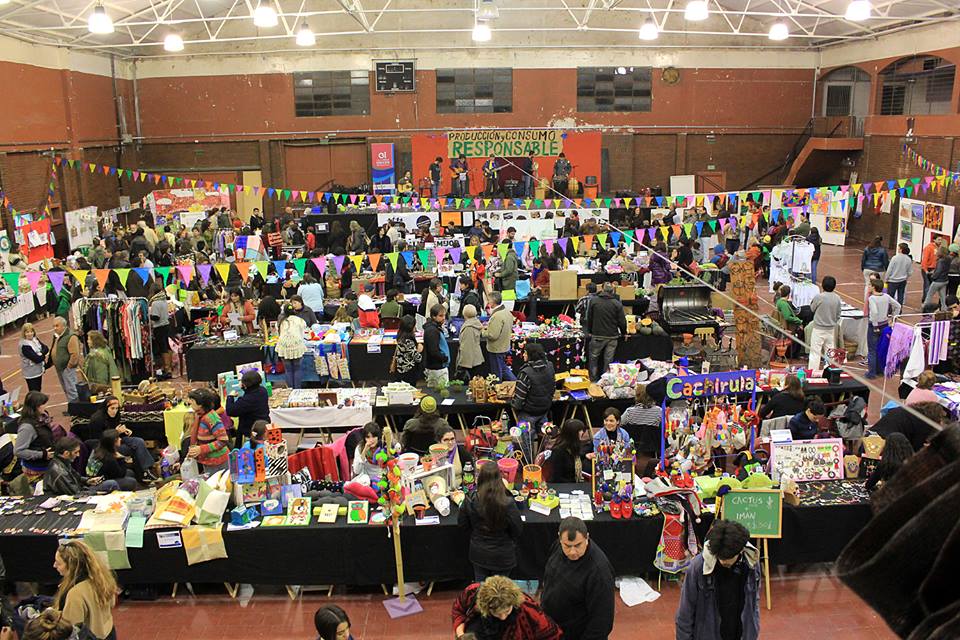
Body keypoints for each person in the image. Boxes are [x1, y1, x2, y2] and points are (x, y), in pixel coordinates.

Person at [675, 520, 761, 640]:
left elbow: (754, 603)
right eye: (720, 557)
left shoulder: (751, 564)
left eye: (728, 558)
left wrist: (754, 631)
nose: (723, 561)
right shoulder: (697, 568)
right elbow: (685, 613)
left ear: (741, 550)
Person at [541, 516, 615, 640]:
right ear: (560, 538)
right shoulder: (558, 547)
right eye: (567, 546)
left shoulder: (599, 572)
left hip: (575, 634)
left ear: (587, 538)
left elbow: (601, 622)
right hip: (553, 628)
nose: (572, 552)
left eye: (578, 545)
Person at [458, 458, 523, 580]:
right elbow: (517, 529)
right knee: (501, 593)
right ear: (499, 478)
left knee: (482, 593)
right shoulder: (507, 502)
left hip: (479, 553)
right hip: (503, 555)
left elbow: (462, 524)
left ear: (480, 477)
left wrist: (476, 535)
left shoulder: (470, 499)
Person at [453, 575, 562, 640]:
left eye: (507, 611)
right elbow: (458, 610)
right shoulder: (472, 593)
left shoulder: (529, 609)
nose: (503, 617)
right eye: (497, 613)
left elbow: (554, 635)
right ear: (485, 607)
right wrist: (461, 634)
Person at [54, 540, 118, 640]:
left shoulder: (75, 594)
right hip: (108, 633)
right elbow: (112, 603)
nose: (54, 566)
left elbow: (71, 628)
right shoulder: (102, 579)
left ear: (71, 566)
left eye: (58, 563)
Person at [83, 396, 157, 481]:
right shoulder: (97, 419)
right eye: (112, 408)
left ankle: (146, 470)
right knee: (134, 449)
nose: (115, 411)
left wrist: (124, 430)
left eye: (117, 408)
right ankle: (142, 473)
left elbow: (116, 429)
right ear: (106, 407)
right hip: (106, 446)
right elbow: (98, 440)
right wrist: (116, 432)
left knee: (138, 441)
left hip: (117, 439)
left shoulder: (116, 415)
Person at [44, 437, 119, 495]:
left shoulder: (63, 462)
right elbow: (76, 493)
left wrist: (87, 480)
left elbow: (76, 477)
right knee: (112, 484)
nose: (78, 455)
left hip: (79, 489)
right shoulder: (60, 472)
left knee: (111, 483)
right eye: (75, 452)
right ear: (66, 453)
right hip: (74, 496)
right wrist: (95, 493)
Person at [586, 282, 626, 382]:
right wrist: (624, 333)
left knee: (593, 359)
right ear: (612, 291)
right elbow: (622, 321)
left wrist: (590, 331)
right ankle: (605, 381)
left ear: (602, 289)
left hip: (597, 335)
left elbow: (589, 318)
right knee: (608, 360)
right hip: (612, 336)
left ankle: (593, 380)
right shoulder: (617, 303)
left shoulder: (594, 301)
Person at [510, 343, 555, 431]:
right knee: (544, 440)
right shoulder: (550, 366)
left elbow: (519, 398)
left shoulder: (525, 373)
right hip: (544, 410)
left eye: (525, 353)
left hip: (527, 414)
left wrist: (514, 406)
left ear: (531, 355)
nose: (523, 355)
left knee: (526, 442)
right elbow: (553, 388)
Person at [868, 401, 944, 451]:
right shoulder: (924, 423)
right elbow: (915, 448)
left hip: (871, 436)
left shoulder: (907, 410)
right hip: (884, 444)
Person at [185, 388, 230, 473]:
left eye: (192, 400)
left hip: (218, 463)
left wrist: (201, 449)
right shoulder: (199, 415)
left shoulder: (211, 418)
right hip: (208, 461)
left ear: (200, 404)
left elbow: (223, 440)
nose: (190, 402)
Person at [225, 370, 271, 449]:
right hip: (264, 424)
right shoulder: (262, 390)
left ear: (245, 385)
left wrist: (230, 397)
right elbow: (250, 392)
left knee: (254, 449)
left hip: (252, 429)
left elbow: (230, 411)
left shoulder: (248, 400)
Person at [14, 391, 55, 479]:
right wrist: (42, 454)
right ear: (37, 406)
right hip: (35, 469)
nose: (46, 406)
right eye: (43, 404)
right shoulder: (27, 428)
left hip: (47, 464)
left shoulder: (43, 416)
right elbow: (18, 451)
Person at [867, 279, 901, 378]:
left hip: (875, 326)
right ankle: (880, 370)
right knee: (881, 348)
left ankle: (871, 373)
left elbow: (874, 312)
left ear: (874, 287)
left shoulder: (872, 298)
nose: (868, 286)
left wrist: (875, 325)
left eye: (870, 285)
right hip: (885, 324)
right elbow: (897, 306)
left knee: (872, 350)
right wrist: (893, 318)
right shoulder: (886, 296)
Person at [807, 275, 842, 372]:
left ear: (822, 285)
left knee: (815, 352)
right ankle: (830, 372)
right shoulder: (837, 298)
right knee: (830, 352)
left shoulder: (819, 297)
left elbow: (812, 308)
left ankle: (813, 373)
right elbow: (839, 314)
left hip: (818, 328)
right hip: (830, 329)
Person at [620, 383, 662, 462]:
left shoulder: (629, 412)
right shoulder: (659, 411)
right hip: (652, 445)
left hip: (632, 444)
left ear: (637, 396)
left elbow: (620, 424)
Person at [483, 292, 516, 382]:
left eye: (489, 300)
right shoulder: (506, 312)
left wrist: (482, 331)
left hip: (496, 348)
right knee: (503, 369)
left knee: (497, 373)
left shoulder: (497, 315)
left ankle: (498, 390)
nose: (488, 302)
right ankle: (516, 384)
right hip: (504, 346)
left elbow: (493, 335)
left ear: (493, 302)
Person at [545, 419, 589, 484]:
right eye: (580, 430)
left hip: (574, 483)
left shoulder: (573, 446)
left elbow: (574, 458)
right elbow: (557, 477)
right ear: (573, 433)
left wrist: (586, 455)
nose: (582, 432)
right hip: (562, 486)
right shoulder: (558, 452)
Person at [51, 316, 82, 403]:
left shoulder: (71, 337)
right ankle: (71, 406)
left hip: (67, 368)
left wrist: (69, 366)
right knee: (66, 388)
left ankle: (75, 407)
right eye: (53, 326)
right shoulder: (59, 336)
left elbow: (75, 354)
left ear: (63, 326)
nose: (55, 328)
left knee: (71, 388)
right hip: (60, 368)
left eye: (57, 326)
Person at [277, 305, 309, 389]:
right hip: (296, 345)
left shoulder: (281, 322)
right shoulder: (300, 320)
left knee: (288, 370)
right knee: (297, 369)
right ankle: (297, 390)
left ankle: (290, 390)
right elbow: (305, 331)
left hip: (284, 346)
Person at [422, 304, 451, 388]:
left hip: (437, 366)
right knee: (440, 391)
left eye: (444, 315)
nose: (443, 318)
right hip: (436, 367)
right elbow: (433, 351)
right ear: (434, 317)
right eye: (441, 316)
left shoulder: (434, 328)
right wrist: (444, 358)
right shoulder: (432, 331)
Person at [148, 283, 172, 378]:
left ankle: (166, 369)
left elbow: (156, 317)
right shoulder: (163, 300)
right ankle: (169, 367)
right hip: (166, 325)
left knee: (163, 348)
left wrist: (148, 315)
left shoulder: (155, 302)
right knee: (167, 346)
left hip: (159, 327)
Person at [392, 314, 422, 385]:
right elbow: (418, 358)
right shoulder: (409, 341)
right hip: (408, 372)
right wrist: (419, 350)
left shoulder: (400, 337)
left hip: (400, 369)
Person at [19, 322, 49, 392]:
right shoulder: (24, 345)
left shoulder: (35, 339)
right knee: (34, 391)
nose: (30, 334)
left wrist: (41, 354)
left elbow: (46, 348)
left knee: (38, 389)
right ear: (24, 333)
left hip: (38, 370)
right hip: (31, 373)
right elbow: (37, 359)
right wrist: (42, 355)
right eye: (27, 332)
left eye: (31, 331)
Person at [457, 304, 485, 380]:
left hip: (471, 361)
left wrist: (463, 363)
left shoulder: (468, 328)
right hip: (476, 357)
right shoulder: (476, 323)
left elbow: (467, 346)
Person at [923, 245, 951, 310]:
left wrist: (932, 277)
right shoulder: (948, 259)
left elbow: (938, 271)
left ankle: (925, 308)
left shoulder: (940, 261)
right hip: (945, 280)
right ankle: (944, 309)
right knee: (942, 297)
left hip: (938, 281)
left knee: (929, 295)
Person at [920, 235, 941, 301]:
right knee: (927, 285)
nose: (940, 241)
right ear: (934, 240)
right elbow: (924, 260)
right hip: (928, 269)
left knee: (931, 287)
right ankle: (925, 302)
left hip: (934, 269)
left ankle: (927, 300)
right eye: (939, 240)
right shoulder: (929, 248)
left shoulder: (939, 248)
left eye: (941, 240)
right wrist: (925, 270)